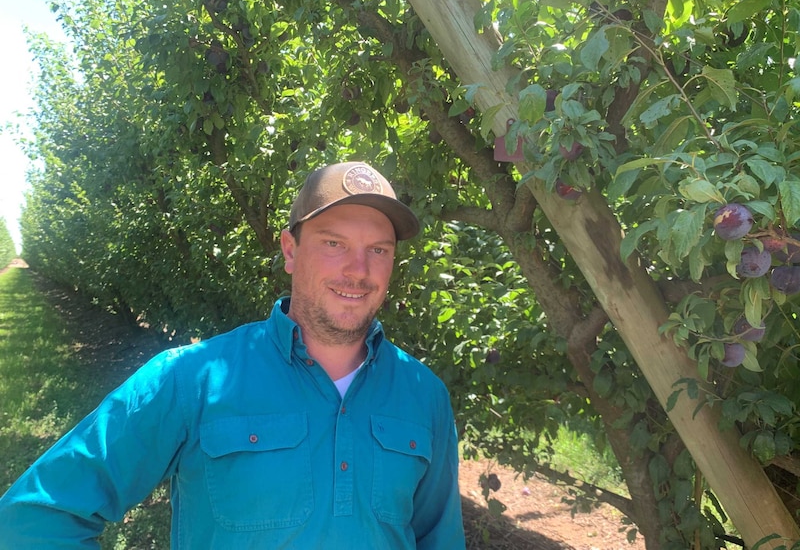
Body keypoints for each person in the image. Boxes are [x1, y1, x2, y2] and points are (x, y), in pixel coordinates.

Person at [0, 161, 467, 549]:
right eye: (333, 243)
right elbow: (35, 518)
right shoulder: (192, 380)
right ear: (290, 249)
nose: (358, 269)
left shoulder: (423, 395)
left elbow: (437, 538)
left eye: (378, 250)